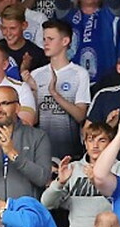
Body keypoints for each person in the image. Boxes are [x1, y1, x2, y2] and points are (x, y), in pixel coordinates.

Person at [41, 121, 120, 227]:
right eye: (90, 140)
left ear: (110, 144)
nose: (95, 145)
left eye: (101, 140)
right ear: (85, 143)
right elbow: (47, 204)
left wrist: (98, 180)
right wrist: (59, 183)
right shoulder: (73, 168)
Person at [30, 18, 91, 159]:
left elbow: (80, 116)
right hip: (42, 151)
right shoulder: (36, 74)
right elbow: (33, 120)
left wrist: (55, 94)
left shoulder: (80, 73)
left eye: (50, 39)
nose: (45, 43)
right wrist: (33, 91)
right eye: (44, 39)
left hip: (71, 151)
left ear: (65, 41)